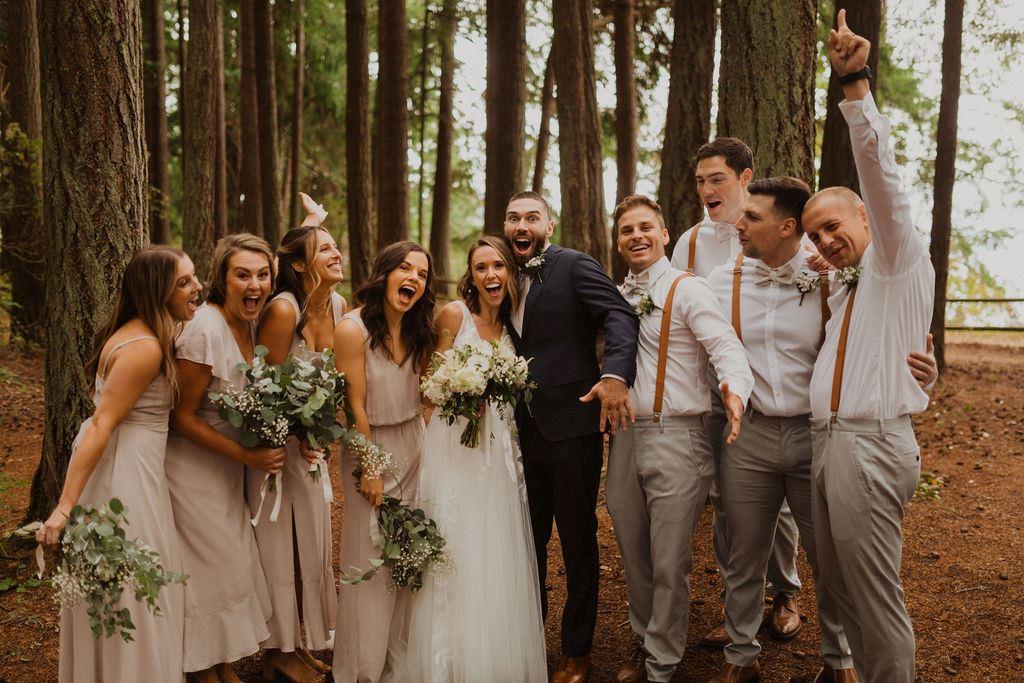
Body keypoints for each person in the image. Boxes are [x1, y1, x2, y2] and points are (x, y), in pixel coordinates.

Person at [801, 12, 936, 682]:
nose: (824, 241)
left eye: (831, 227)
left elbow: (879, 173)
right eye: (814, 235)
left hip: (869, 445)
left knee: (877, 600)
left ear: (863, 217)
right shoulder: (849, 283)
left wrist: (854, 85)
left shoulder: (895, 256)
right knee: (841, 588)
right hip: (830, 442)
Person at [706, 178, 858, 683]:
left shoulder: (830, 278)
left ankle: (839, 660)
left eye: (751, 217)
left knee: (828, 555)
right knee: (743, 553)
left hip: (814, 435)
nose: (739, 223)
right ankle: (741, 657)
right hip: (745, 436)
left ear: (787, 227)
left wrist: (922, 368)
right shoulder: (719, 280)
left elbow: (874, 329)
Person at [604, 195, 753, 683]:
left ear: (666, 234)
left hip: (678, 436)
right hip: (624, 437)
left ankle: (662, 664)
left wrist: (734, 388)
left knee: (669, 557)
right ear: (619, 240)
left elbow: (724, 345)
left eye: (646, 226)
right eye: (627, 230)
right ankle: (645, 638)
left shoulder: (690, 290)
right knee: (633, 548)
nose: (636, 236)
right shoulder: (616, 295)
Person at [37, 246, 201, 683]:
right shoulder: (145, 347)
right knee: (136, 586)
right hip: (128, 476)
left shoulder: (147, 331)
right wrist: (65, 506)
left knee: (129, 584)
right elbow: (100, 426)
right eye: (183, 282)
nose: (196, 287)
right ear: (156, 291)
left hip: (136, 466)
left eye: (194, 277)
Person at [670, 138, 806, 645]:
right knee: (729, 499)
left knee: (785, 501)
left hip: (776, 392)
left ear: (746, 178)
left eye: (717, 179)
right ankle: (739, 608)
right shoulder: (689, 242)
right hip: (712, 388)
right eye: (701, 180)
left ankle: (786, 593)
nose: (707, 189)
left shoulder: (782, 234)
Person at [393, 236, 547, 682]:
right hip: (453, 445)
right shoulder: (453, 315)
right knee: (455, 540)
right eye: (481, 268)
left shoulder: (514, 327)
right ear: (470, 275)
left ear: (509, 273)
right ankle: (448, 659)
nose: (490, 275)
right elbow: (426, 384)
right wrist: (463, 389)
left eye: (498, 266)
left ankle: (490, 653)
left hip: (497, 449)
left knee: (495, 543)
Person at [503, 191, 639, 683]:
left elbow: (621, 316)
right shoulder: (498, 273)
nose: (522, 224)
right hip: (514, 433)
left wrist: (616, 374)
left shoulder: (575, 266)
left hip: (572, 430)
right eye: (514, 217)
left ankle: (577, 650)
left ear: (549, 225)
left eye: (531, 217)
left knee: (577, 540)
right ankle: (526, 640)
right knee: (525, 542)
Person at [165, 235, 283, 683]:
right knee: (214, 570)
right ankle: (200, 670)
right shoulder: (204, 330)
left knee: (227, 569)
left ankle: (218, 663)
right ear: (222, 279)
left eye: (262, 274)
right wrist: (247, 455)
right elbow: (182, 418)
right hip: (192, 471)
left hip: (228, 473)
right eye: (242, 274)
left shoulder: (250, 327)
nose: (254, 284)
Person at [332, 241, 437, 683]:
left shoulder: (418, 330)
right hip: (371, 447)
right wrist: (370, 467)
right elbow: (353, 405)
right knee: (369, 559)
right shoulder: (352, 329)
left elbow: (425, 396)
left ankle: (399, 663)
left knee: (408, 558)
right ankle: (362, 671)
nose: (413, 278)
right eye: (405, 269)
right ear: (385, 273)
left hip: (415, 443)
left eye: (422, 274)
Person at [250, 193, 345, 681]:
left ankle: (301, 642)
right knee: (279, 544)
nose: (336, 253)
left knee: (310, 543)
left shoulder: (339, 305)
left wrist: (322, 429)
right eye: (324, 247)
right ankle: (277, 652)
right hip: (275, 450)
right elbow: (262, 385)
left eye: (335, 246)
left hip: (310, 448)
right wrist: (296, 431)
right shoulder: (284, 310)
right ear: (301, 263)